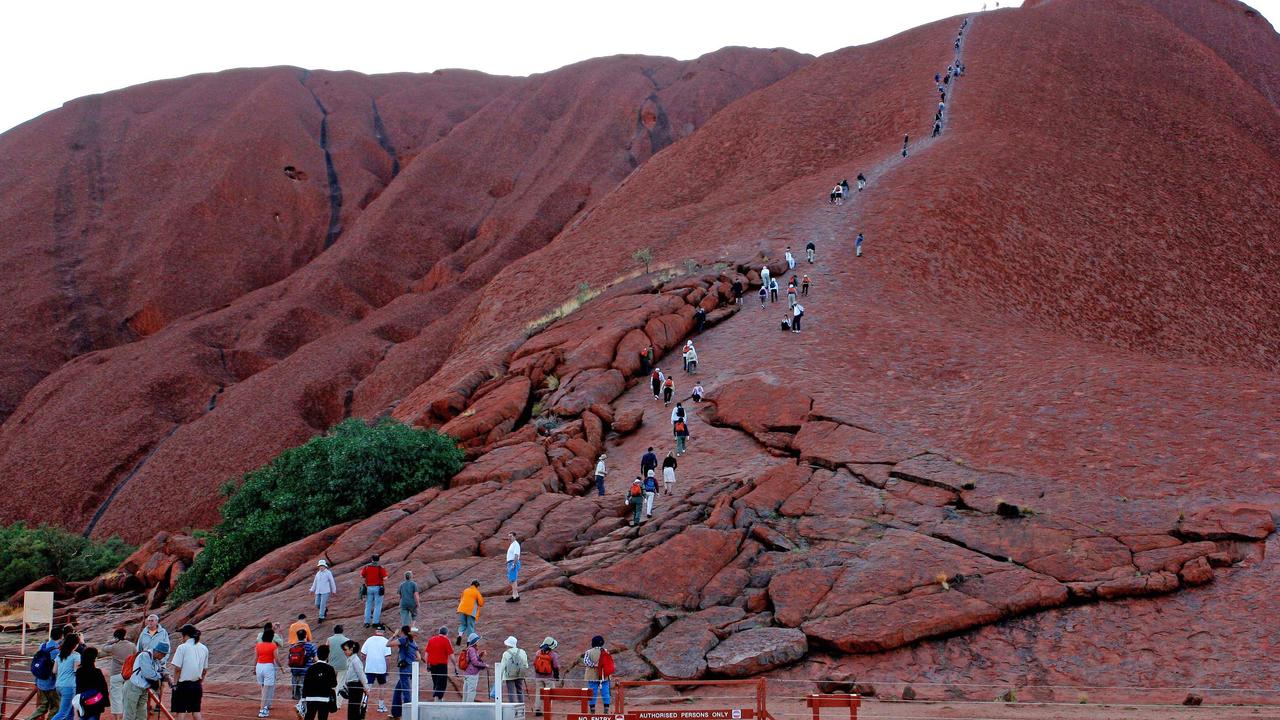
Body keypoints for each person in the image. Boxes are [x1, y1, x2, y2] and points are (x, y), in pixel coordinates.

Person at [170, 625, 209, 720]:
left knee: (181, 712)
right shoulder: (204, 648)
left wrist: (175, 684)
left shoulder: (182, 647)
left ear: (186, 635)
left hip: (183, 685)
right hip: (196, 685)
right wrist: (200, 681)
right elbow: (204, 670)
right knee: (196, 712)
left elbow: (177, 668)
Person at [122, 641, 166, 720]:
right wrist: (161, 675)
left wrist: (162, 674)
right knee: (129, 713)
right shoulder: (145, 656)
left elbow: (160, 670)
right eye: (163, 655)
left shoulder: (155, 660)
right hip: (133, 686)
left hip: (143, 688)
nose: (163, 657)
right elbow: (148, 674)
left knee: (141, 714)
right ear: (159, 653)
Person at [28, 627, 63, 720]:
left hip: (40, 681)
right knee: (56, 707)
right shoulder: (57, 651)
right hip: (51, 683)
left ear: (51, 635)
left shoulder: (42, 646)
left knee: (43, 707)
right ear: (61, 636)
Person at [388, 628, 420, 720]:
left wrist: (394, 635)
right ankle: (396, 713)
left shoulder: (403, 639)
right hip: (411, 668)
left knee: (406, 691)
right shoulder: (413, 642)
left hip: (404, 668)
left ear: (403, 632)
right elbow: (419, 657)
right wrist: (411, 658)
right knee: (398, 690)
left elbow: (388, 644)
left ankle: (408, 715)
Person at [104, 627, 134, 720]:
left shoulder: (114, 646)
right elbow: (136, 655)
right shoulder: (132, 645)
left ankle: (117, 718)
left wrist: (111, 642)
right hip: (128, 673)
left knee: (116, 697)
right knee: (127, 696)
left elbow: (104, 648)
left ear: (116, 637)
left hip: (116, 673)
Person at [301, 645, 338, 720]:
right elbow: (334, 684)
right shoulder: (330, 669)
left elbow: (306, 684)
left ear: (317, 654)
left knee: (309, 717)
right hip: (324, 699)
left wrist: (303, 699)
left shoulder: (311, 668)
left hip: (311, 699)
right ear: (328, 655)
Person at [359, 626, 390, 714]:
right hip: (381, 668)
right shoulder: (386, 641)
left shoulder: (369, 640)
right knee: (382, 687)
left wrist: (366, 661)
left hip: (370, 667)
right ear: (383, 632)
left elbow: (363, 654)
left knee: (368, 687)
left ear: (376, 631)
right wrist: (387, 669)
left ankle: (364, 706)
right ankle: (381, 706)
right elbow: (387, 658)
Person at [50, 633, 81, 720]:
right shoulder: (76, 656)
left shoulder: (60, 655)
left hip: (59, 685)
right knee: (63, 713)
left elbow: (54, 671)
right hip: (69, 686)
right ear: (75, 644)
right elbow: (77, 672)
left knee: (69, 714)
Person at [74, 646, 109, 720]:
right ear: (94, 658)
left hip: (83, 702)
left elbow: (78, 689)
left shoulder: (79, 671)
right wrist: (105, 702)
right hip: (95, 702)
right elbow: (103, 687)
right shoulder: (97, 672)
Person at [254, 626, 282, 717]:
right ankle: (262, 709)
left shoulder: (258, 645)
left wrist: (253, 668)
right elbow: (276, 659)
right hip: (268, 667)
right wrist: (281, 667)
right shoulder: (273, 646)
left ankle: (265, 707)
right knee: (267, 689)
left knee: (263, 688)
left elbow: (255, 658)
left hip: (259, 666)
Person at [582, 636, 615, 714]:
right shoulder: (606, 651)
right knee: (606, 692)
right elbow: (610, 662)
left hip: (592, 676)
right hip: (605, 675)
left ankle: (592, 710)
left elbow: (586, 662)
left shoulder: (588, 652)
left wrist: (594, 665)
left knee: (592, 692)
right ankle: (606, 709)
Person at [338, 641, 370, 720]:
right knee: (352, 709)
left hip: (356, 687)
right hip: (352, 687)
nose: (344, 651)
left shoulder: (355, 660)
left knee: (354, 709)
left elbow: (361, 674)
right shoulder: (351, 659)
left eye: (345, 649)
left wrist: (366, 688)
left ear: (351, 649)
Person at [530, 638, 560, 717]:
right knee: (550, 693)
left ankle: (537, 709)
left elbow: (534, 663)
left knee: (539, 693)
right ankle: (548, 709)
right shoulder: (553, 654)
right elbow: (555, 666)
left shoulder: (538, 653)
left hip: (538, 677)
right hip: (549, 678)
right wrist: (557, 676)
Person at [360, 556, 389, 628]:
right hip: (378, 588)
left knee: (368, 605)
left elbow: (361, 576)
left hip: (368, 588)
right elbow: (385, 578)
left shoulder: (366, 567)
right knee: (377, 605)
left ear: (371, 559)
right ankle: (375, 622)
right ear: (378, 560)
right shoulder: (380, 567)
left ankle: (366, 622)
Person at [289, 629, 317, 702]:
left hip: (295, 672)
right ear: (306, 636)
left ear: (297, 637)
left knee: (296, 693)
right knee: (304, 692)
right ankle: (303, 708)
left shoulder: (292, 647)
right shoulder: (311, 646)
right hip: (306, 672)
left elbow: (290, 659)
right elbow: (316, 659)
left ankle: (298, 704)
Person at [424, 627, 453, 702]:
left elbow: (426, 653)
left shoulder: (431, 640)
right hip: (442, 664)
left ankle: (437, 698)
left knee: (435, 681)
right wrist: (455, 665)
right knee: (442, 682)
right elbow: (451, 654)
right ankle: (438, 698)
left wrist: (427, 664)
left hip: (432, 664)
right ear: (446, 633)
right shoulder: (446, 640)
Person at [500, 637, 528, 706]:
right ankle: (522, 708)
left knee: (511, 692)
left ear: (508, 644)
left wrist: (499, 677)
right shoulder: (522, 652)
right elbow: (526, 665)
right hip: (520, 674)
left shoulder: (506, 653)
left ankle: (512, 709)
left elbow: (502, 667)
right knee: (520, 691)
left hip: (509, 676)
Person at [460, 634, 486, 703]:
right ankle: (469, 708)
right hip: (472, 674)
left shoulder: (471, 649)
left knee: (465, 691)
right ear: (474, 641)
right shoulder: (472, 649)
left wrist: (480, 655)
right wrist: (484, 665)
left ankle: (464, 707)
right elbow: (474, 662)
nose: (478, 642)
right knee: (471, 691)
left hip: (467, 673)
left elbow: (472, 660)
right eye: (477, 640)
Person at [455, 580, 483, 646]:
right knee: (470, 626)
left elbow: (461, 598)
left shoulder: (465, 590)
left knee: (463, 624)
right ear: (477, 586)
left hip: (462, 609)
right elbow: (481, 603)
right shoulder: (476, 592)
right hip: (471, 611)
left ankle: (459, 636)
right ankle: (469, 642)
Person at [505, 532, 521, 603]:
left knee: (513, 580)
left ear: (514, 536)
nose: (509, 538)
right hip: (510, 563)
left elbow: (516, 556)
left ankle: (514, 597)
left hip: (513, 563)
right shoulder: (512, 544)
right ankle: (516, 595)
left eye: (511, 536)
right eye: (509, 536)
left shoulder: (516, 544)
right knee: (512, 580)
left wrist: (513, 565)